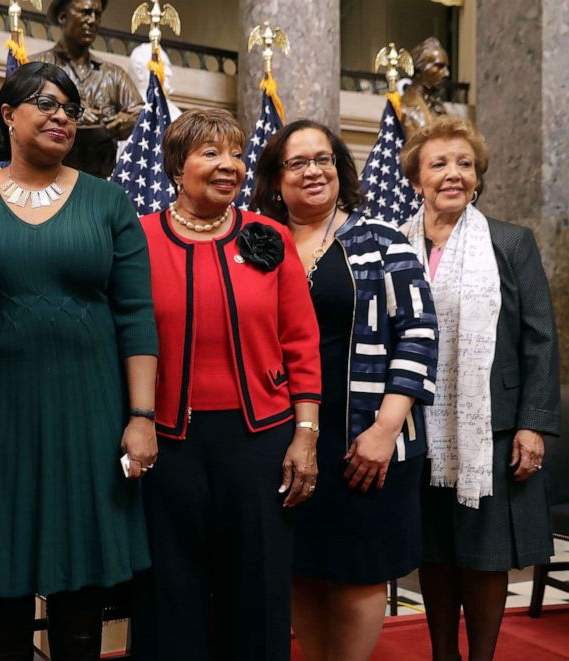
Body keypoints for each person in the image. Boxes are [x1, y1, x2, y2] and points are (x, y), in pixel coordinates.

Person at [0, 61, 158, 660]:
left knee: (79, 584)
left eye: (70, 109)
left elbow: (137, 315)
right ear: (8, 114)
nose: (62, 117)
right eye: (46, 104)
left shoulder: (110, 203)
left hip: (89, 413)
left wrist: (142, 415)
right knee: (3, 581)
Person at [131, 108, 321, 661]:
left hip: (260, 441)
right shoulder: (137, 239)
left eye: (236, 154)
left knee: (258, 592)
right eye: (211, 153)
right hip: (168, 443)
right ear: (176, 166)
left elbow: (302, 345)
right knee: (169, 593)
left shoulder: (271, 236)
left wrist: (305, 434)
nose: (229, 165)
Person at [252, 120, 439, 661]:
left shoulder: (381, 239)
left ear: (339, 169)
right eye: (297, 162)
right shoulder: (258, 242)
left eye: (323, 159)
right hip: (281, 435)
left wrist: (385, 428)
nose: (313, 171)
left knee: (359, 571)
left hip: (366, 435)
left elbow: (420, 333)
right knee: (301, 566)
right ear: (274, 177)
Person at [399, 116, 559, 661]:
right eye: (439, 164)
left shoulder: (510, 243)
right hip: (416, 426)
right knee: (437, 554)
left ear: (477, 176)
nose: (454, 174)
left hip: (493, 427)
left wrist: (533, 424)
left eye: (464, 164)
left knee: (486, 556)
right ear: (416, 179)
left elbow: (540, 340)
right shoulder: (394, 246)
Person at [31, 0, 143, 178]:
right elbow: (21, 112)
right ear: (63, 16)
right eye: (85, 12)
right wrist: (70, 113)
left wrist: (126, 121)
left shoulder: (113, 74)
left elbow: (142, 114)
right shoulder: (35, 67)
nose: (92, 20)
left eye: (97, 15)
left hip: (99, 178)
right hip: (46, 178)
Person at [400, 36, 451, 137]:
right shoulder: (407, 107)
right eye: (439, 66)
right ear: (419, 69)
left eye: (446, 67)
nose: (446, 73)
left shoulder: (438, 106)